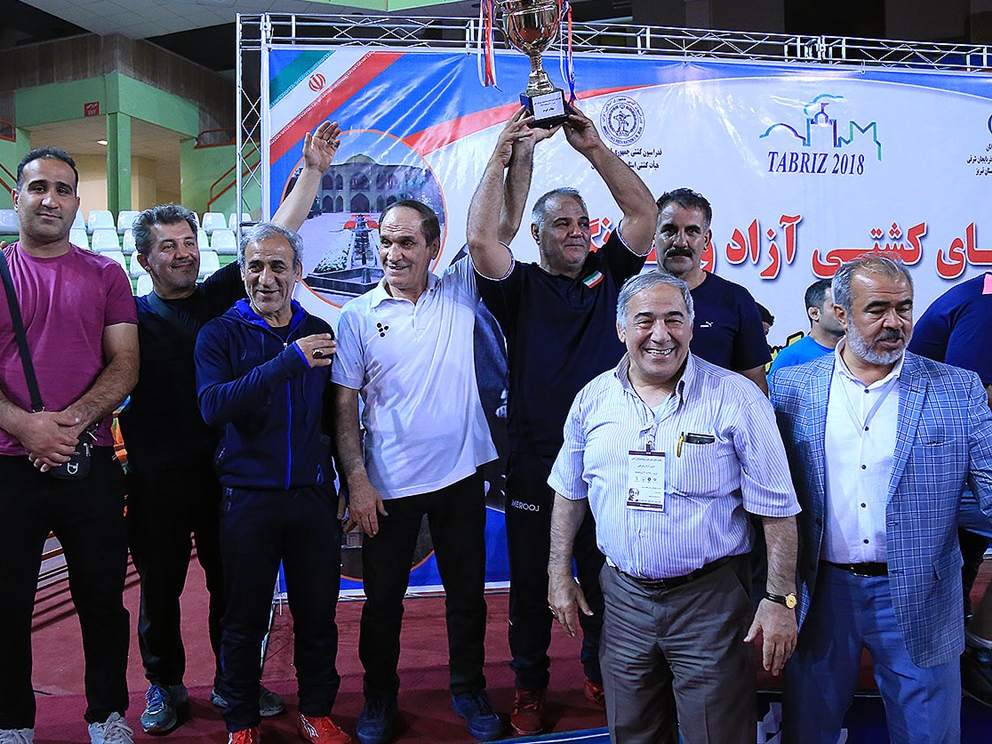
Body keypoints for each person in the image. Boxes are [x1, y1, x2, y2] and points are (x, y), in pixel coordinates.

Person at [120, 122, 340, 735]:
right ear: (145, 259)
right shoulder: (130, 318)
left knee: (234, 592)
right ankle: (164, 684)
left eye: (190, 242)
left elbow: (278, 238)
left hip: (225, 478)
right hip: (158, 478)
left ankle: (231, 684)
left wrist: (313, 171)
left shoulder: (218, 297)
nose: (184, 253)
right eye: (169, 246)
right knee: (160, 589)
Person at [465, 104, 655, 735]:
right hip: (536, 461)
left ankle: (601, 671)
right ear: (538, 234)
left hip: (609, 459)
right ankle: (529, 685)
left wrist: (594, 148)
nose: (576, 233)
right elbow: (481, 242)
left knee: (606, 577)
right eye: (562, 224)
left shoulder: (609, 274)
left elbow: (643, 216)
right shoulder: (516, 286)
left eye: (582, 223)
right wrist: (501, 155)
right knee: (530, 586)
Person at [548, 271, 800, 743]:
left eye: (674, 320)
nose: (660, 335)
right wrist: (558, 572)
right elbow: (569, 492)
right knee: (633, 731)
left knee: (717, 735)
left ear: (691, 325)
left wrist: (780, 599)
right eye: (645, 321)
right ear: (621, 329)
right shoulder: (593, 399)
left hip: (711, 602)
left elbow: (778, 509)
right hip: (622, 601)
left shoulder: (738, 398)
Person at [0, 147, 139, 744]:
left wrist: (70, 424)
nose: (49, 199)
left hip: (90, 463)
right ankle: (13, 724)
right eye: (37, 188)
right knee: (5, 608)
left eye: (62, 189)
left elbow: (125, 363)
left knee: (103, 602)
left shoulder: (107, 275)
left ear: (77, 202)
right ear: (18, 198)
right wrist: (24, 426)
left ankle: (107, 715)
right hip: (5, 470)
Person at [769, 255, 992, 742]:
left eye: (904, 308)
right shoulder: (791, 387)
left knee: (930, 735)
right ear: (841, 313)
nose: (895, 322)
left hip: (922, 592)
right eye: (877, 310)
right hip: (820, 593)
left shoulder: (958, 389)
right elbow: (769, 495)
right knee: (809, 730)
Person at [333, 200, 502, 744]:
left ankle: (469, 689)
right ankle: (378, 696)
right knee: (382, 604)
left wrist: (508, 158)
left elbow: (498, 224)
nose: (393, 253)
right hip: (387, 488)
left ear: (432, 248)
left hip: (460, 479)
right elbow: (344, 405)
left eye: (407, 242)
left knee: (467, 598)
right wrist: (357, 481)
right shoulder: (357, 316)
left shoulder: (460, 291)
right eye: (386, 241)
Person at [196, 222, 349, 744]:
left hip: (311, 498)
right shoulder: (219, 333)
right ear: (242, 273)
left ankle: (317, 711)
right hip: (247, 499)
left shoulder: (320, 329)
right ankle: (241, 721)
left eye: (278, 266)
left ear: (297, 272)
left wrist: (348, 480)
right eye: (255, 266)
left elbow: (336, 415)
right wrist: (286, 363)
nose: (266, 278)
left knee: (318, 615)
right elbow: (213, 406)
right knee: (243, 620)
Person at [908, 270, 992, 707]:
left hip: (957, 459)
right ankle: (978, 652)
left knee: (961, 562)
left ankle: (965, 647)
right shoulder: (986, 302)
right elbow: (975, 396)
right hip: (941, 461)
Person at [653, 188, 770, 394]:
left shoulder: (736, 300)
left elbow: (755, 387)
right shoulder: (631, 298)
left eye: (692, 231)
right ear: (653, 236)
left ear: (706, 240)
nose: (680, 242)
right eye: (669, 230)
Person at [768, 279, 843, 375]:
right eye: (835, 306)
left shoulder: (856, 353)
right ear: (814, 313)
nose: (844, 311)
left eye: (846, 304)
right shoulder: (790, 357)